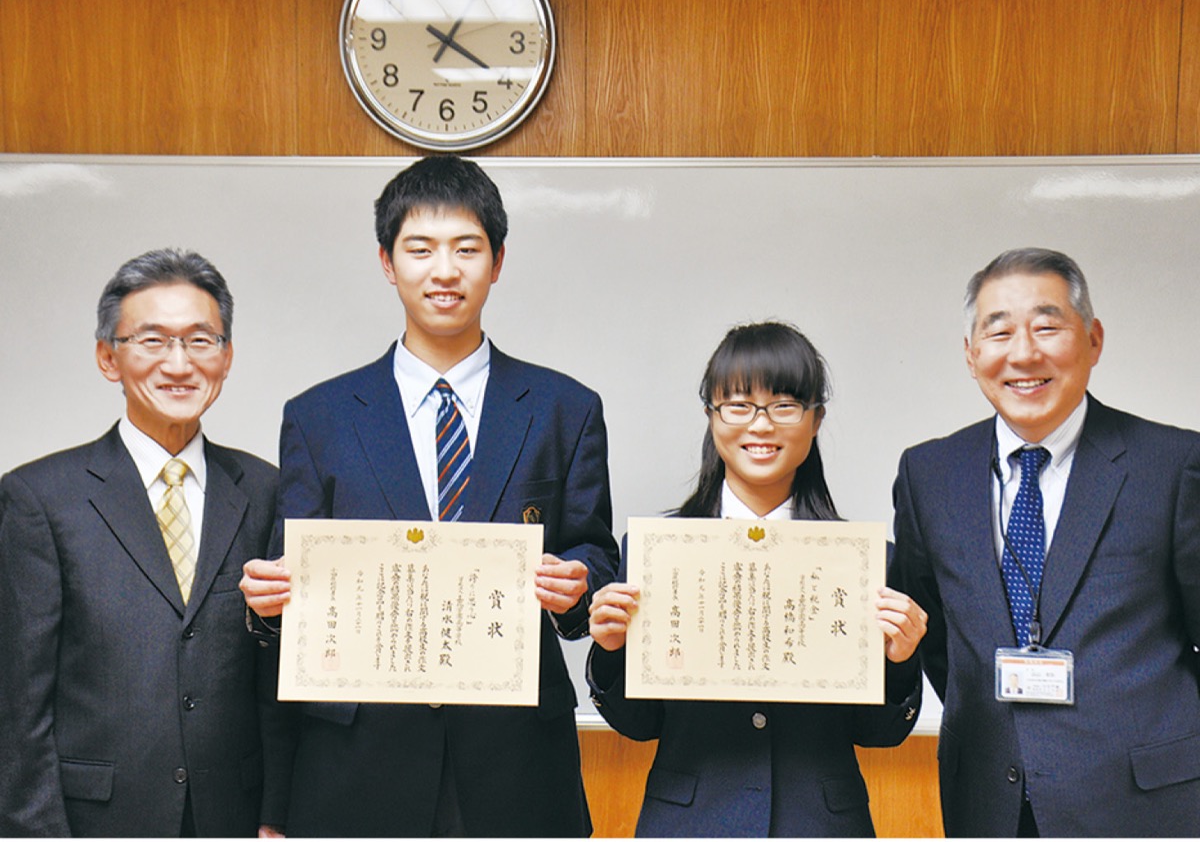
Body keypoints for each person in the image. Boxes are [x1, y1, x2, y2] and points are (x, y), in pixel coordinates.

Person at [239, 155, 620, 837]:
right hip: (356, 761)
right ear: (387, 262)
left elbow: (592, 544)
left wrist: (580, 582)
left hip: (516, 759)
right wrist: (268, 606)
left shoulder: (566, 408)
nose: (444, 271)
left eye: (467, 249)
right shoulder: (319, 416)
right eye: (420, 249)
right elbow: (291, 583)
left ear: (497, 261)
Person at [891, 247, 1200, 836]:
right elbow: (934, 636)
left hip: (1143, 804)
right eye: (999, 331)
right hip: (989, 800)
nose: (1023, 352)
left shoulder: (1173, 465)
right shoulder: (929, 473)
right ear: (970, 353)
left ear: (1093, 339)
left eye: (1047, 326)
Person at [587, 321, 927, 837]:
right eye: (739, 405)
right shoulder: (658, 552)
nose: (761, 426)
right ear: (711, 416)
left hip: (819, 825)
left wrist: (900, 664)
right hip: (690, 823)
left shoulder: (865, 563)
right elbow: (640, 725)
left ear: (816, 420)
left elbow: (878, 734)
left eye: (785, 406)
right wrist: (611, 649)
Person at [0, 248, 281, 836]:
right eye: (152, 341)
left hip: (233, 816)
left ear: (227, 358)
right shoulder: (37, 498)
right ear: (108, 358)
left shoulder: (265, 489)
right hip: (94, 820)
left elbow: (276, 679)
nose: (179, 364)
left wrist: (277, 814)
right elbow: (17, 709)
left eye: (201, 341)